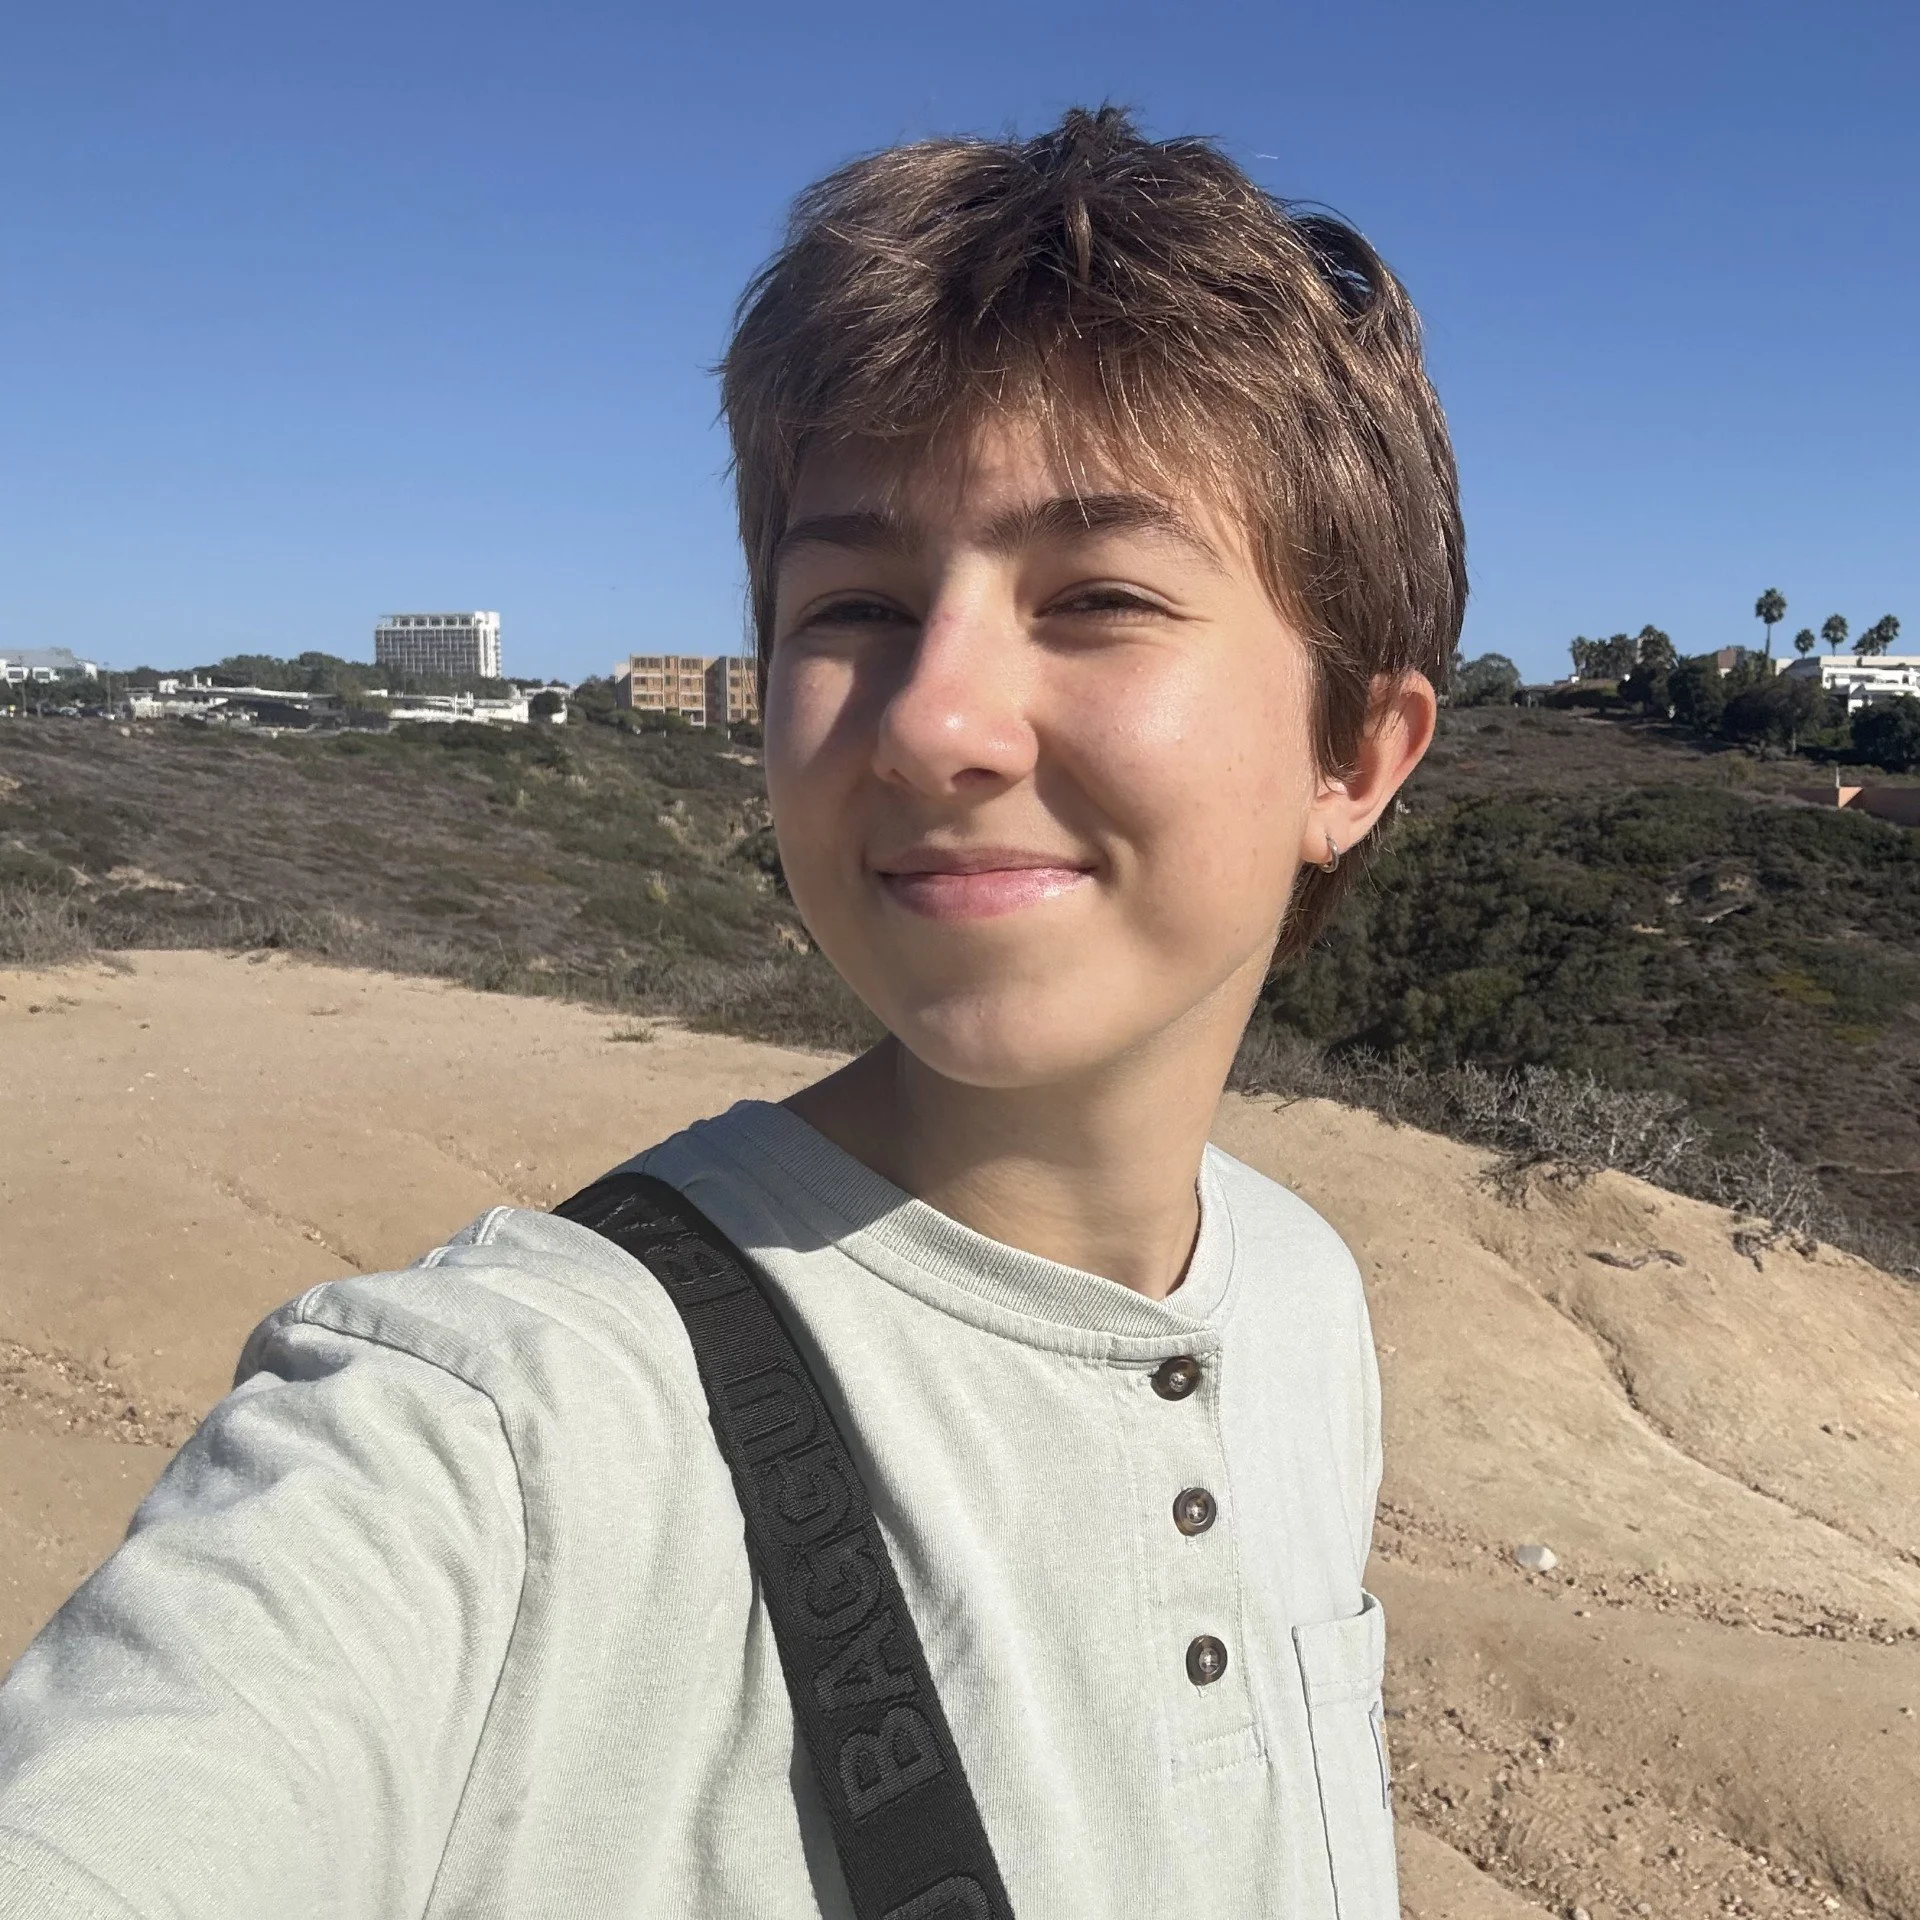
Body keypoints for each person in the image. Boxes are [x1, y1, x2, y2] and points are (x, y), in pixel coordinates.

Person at [0, 105, 1461, 1917]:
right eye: (854, 603)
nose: (934, 721)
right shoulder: (495, 1430)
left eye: (1095, 596)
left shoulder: (1305, 1300)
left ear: (1356, 753)